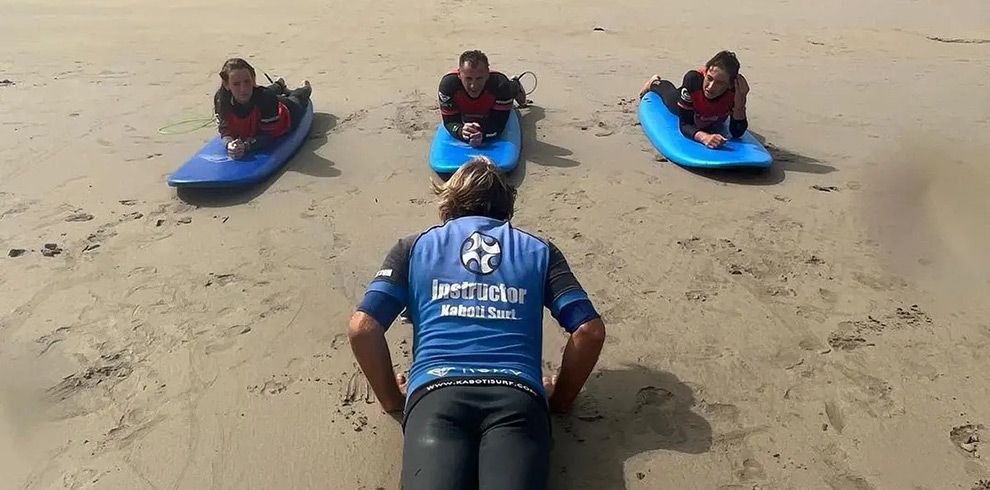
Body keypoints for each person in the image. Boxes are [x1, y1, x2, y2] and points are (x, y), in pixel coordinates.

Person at [347, 157, 606, 490]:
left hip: (436, 394)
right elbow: (589, 331)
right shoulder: (539, 250)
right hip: (518, 395)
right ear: (507, 209)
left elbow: (363, 328)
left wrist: (392, 400)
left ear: (447, 206)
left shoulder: (412, 248)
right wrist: (559, 401)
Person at [638, 50, 750, 149]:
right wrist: (704, 137)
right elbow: (685, 125)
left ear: (730, 84)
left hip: (712, 115)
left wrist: (741, 101)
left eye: (720, 83)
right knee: (669, 98)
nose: (710, 87)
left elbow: (737, 132)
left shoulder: (736, 91)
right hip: (693, 106)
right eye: (709, 78)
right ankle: (654, 82)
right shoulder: (693, 81)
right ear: (705, 73)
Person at [213, 58, 312, 159]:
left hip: (284, 113)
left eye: (247, 82)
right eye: (236, 84)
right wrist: (229, 144)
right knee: (256, 93)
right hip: (261, 100)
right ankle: (279, 85)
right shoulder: (221, 100)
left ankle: (305, 88)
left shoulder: (266, 98)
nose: (243, 89)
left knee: (296, 98)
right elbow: (225, 130)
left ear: (253, 79)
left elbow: (268, 135)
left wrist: (246, 146)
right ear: (226, 84)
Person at [439, 50, 529, 148]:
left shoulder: (500, 86)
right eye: (468, 79)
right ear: (459, 75)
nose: (473, 86)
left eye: (479, 79)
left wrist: (482, 133)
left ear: (487, 74)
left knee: (510, 89)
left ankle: (516, 84)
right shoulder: (448, 86)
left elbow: (498, 125)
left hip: (502, 89)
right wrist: (460, 131)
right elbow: (449, 121)